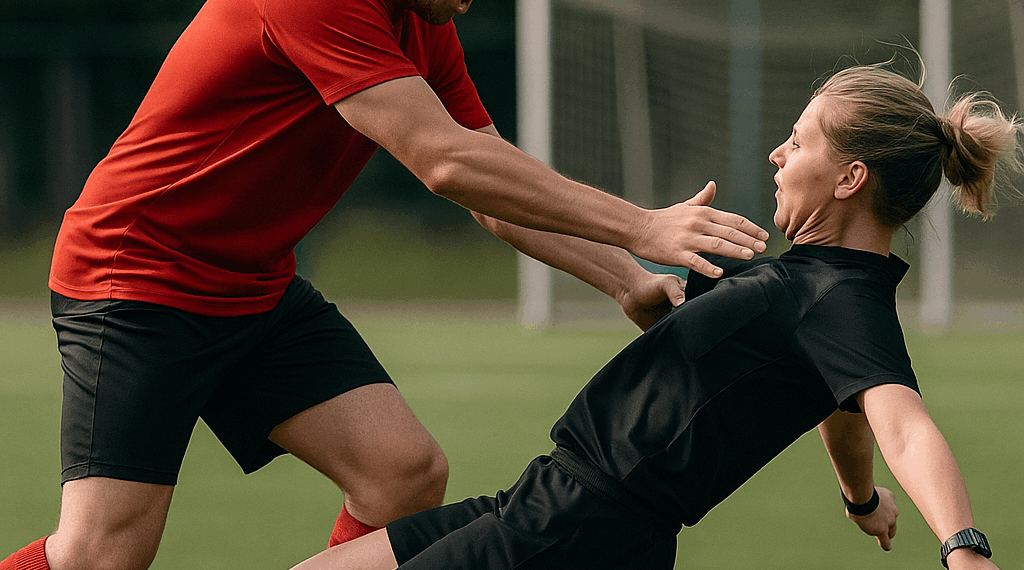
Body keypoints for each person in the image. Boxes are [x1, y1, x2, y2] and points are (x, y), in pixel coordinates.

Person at [0, 1, 772, 569]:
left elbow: (488, 192)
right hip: (136, 278)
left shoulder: (424, 21)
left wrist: (626, 279)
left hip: (252, 286)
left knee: (402, 472)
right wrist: (640, 225)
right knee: (101, 555)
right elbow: (444, 162)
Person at [287, 61, 1023, 570]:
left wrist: (965, 546)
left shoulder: (844, 301)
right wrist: (859, 498)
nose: (776, 153)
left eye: (797, 142)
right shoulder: (808, 283)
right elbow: (844, 410)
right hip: (542, 501)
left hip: (581, 533)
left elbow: (901, 422)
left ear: (849, 178)